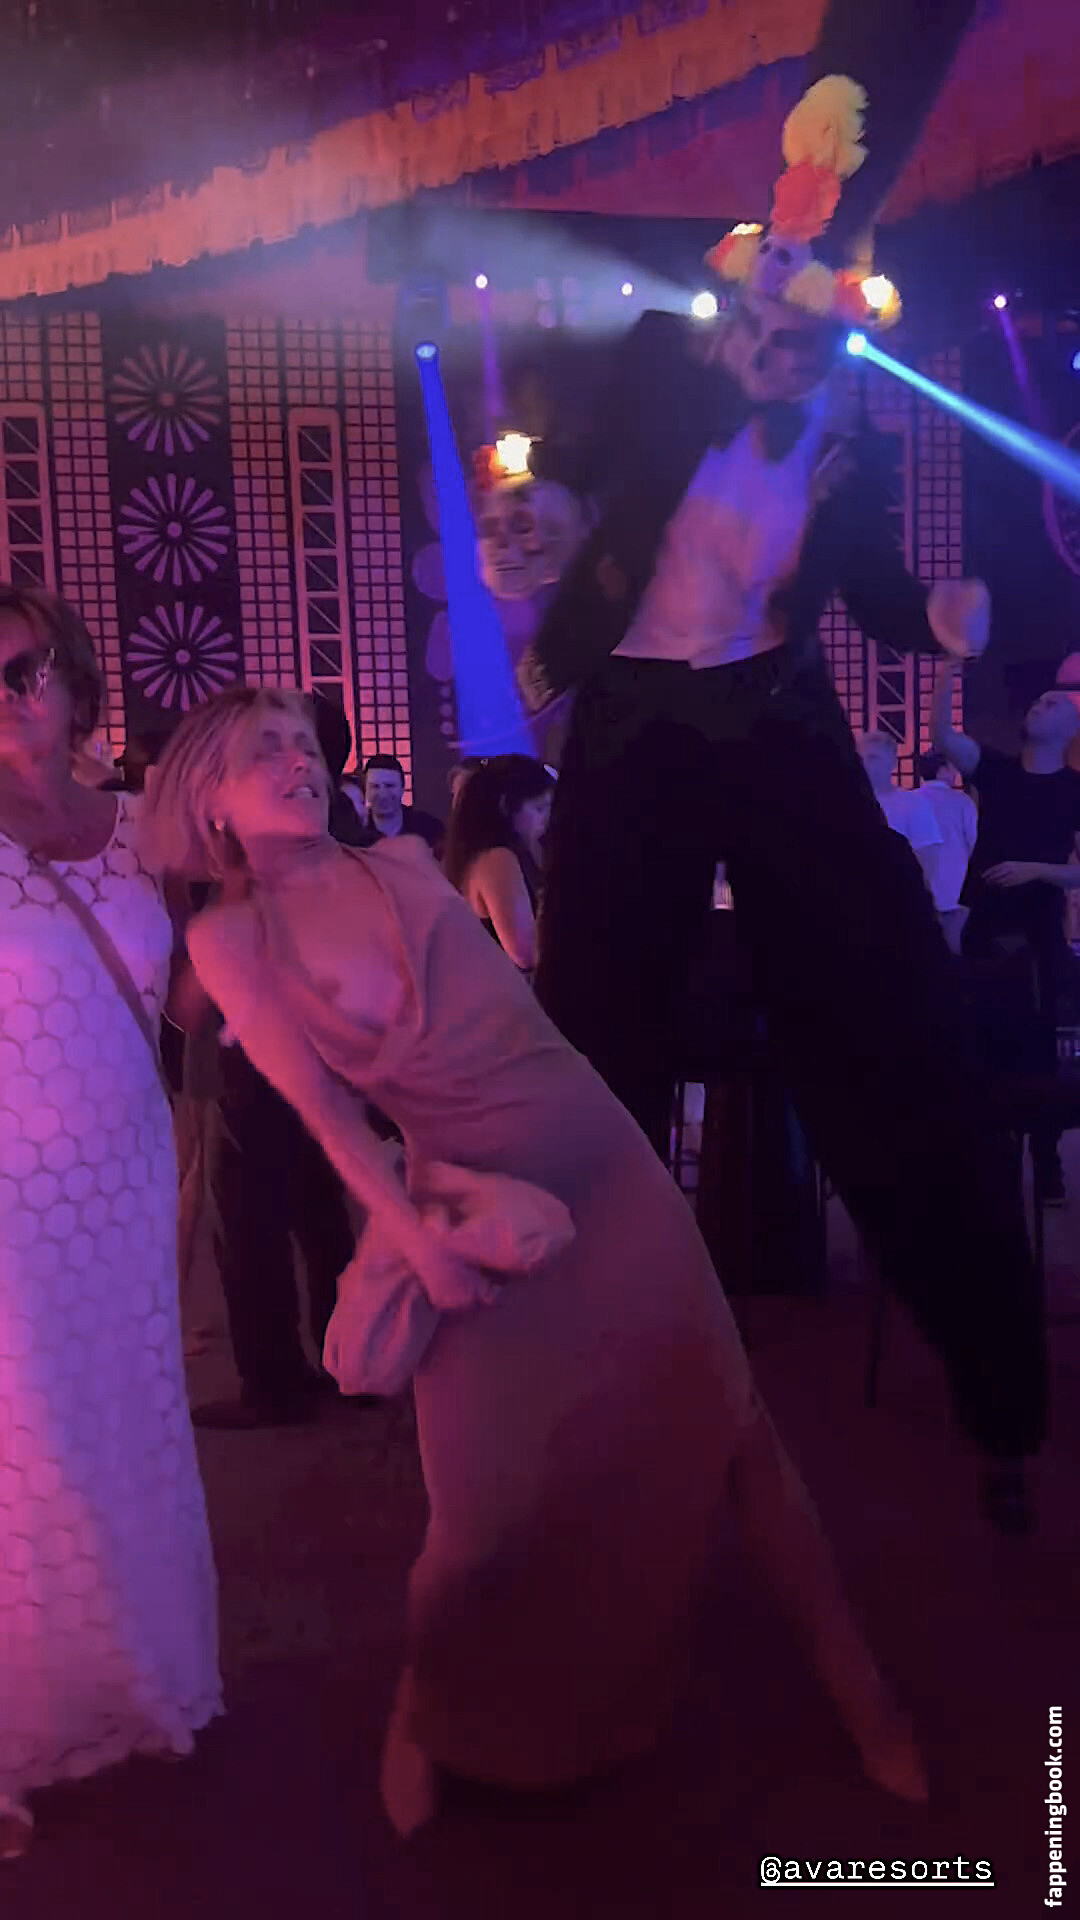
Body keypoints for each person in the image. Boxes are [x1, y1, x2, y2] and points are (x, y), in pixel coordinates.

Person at [144, 685, 927, 1837]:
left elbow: (530, 994)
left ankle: (861, 1691)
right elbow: (327, 1117)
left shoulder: (406, 862)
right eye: (265, 751)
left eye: (304, 745)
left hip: (601, 1163)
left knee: (735, 1428)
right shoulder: (231, 939)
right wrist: (416, 1239)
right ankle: (426, 1706)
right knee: (480, 1504)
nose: (298, 761)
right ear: (209, 796)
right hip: (468, 1201)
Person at [524, 0, 1045, 1532]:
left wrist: (937, 618)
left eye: (801, 342)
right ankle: (585, 1369)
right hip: (636, 725)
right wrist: (541, 520)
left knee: (889, 1010)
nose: (773, 351)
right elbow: (574, 462)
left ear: (831, 348)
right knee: (598, 1035)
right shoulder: (654, 368)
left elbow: (869, 586)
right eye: (758, 327)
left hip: (772, 721)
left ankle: (995, 1378)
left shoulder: (840, 443)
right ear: (731, 307)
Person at [0, 584, 220, 1861]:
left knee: (126, 1424)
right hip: (9, 1196)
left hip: (124, 1176)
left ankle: (133, 1682)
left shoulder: (143, 831)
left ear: (74, 677)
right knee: (22, 1444)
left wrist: (259, 905)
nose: (8, 696)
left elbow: (186, 1001)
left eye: (24, 668)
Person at [933, 665, 1080, 1198]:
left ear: (1070, 730)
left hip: (1039, 931)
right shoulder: (995, 770)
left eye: (1055, 703)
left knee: (1039, 1047)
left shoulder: (1073, 789)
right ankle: (989, 1164)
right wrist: (947, 668)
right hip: (986, 925)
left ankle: (1046, 1163)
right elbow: (943, 735)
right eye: (1040, 699)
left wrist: (1035, 870)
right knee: (982, 1041)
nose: (1042, 702)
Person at [444, 755, 554, 974]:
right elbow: (525, 952)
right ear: (506, 807)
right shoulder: (497, 858)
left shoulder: (484, 853)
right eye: (538, 808)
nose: (546, 818)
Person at [857, 732, 943, 895]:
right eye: (861, 759)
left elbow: (928, 859)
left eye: (873, 758)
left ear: (892, 763)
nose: (865, 765)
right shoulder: (847, 803)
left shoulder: (914, 805)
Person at [916, 749, 978, 951]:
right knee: (953, 944)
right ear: (942, 770)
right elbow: (974, 842)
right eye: (952, 768)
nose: (955, 773)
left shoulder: (911, 801)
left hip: (919, 882)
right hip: (956, 883)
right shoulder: (962, 802)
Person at [360, 754, 442, 855]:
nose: (382, 794)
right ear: (365, 790)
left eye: (389, 786)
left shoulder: (429, 828)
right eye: (375, 786)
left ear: (402, 788)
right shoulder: (357, 832)